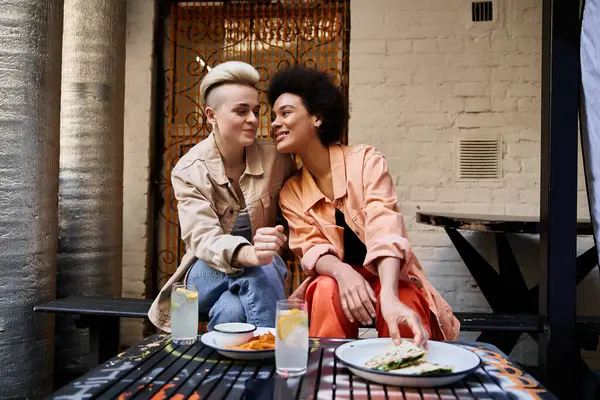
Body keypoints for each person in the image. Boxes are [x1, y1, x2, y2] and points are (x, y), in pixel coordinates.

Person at [268, 67, 459, 346]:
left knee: (403, 297)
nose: (274, 123)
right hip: (336, 284)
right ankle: (328, 379)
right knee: (323, 288)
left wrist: (389, 296)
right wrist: (343, 271)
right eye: (273, 116)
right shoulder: (291, 192)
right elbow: (311, 248)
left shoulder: (366, 161)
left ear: (317, 117)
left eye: (285, 113)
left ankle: (402, 378)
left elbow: (386, 228)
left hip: (387, 277)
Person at [149, 61, 296, 332]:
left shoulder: (277, 159)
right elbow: (203, 239)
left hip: (262, 272)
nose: (253, 119)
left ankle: (221, 371)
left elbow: (294, 216)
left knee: (232, 309)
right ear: (211, 115)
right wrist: (248, 253)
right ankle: (273, 358)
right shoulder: (189, 170)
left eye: (255, 111)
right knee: (258, 268)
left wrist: (276, 240)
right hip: (204, 276)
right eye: (241, 111)